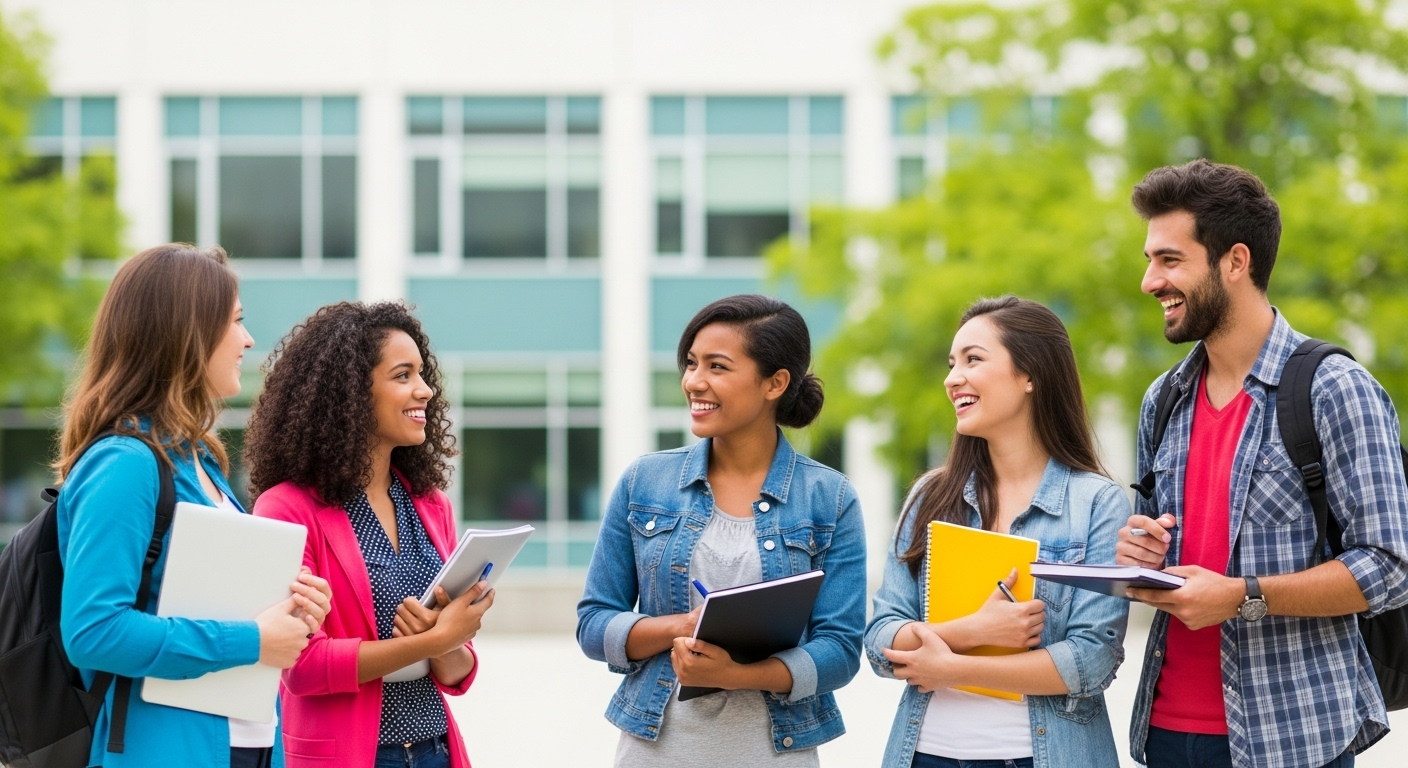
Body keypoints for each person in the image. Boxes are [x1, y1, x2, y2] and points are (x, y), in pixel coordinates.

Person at [1117, 159, 1408, 768]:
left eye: (1170, 260)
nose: (1149, 281)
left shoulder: (1335, 390)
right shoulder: (1162, 400)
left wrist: (1244, 595)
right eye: (1150, 260)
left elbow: (1389, 567)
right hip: (1166, 734)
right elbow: (1161, 561)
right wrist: (1141, 557)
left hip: (1294, 737)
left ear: (1235, 261)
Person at [55, 243, 332, 768]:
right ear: (187, 333)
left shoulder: (199, 460)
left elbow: (205, 603)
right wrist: (252, 640)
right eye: (237, 322)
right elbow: (93, 631)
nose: (248, 340)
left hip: (247, 744)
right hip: (164, 749)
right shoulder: (125, 463)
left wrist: (294, 602)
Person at [577, 294, 867, 766]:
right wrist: (682, 626)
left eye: (717, 366)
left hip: (777, 752)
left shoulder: (829, 498)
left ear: (775, 383)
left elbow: (840, 650)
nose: (694, 381)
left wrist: (740, 674)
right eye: (691, 363)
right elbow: (594, 624)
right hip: (655, 751)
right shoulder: (643, 482)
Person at [865, 296, 1130, 768]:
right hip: (926, 754)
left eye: (973, 359)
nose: (952, 378)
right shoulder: (931, 496)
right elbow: (882, 640)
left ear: (1030, 376)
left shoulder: (1096, 503)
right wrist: (971, 631)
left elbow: (1092, 660)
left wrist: (953, 666)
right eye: (951, 363)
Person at [246, 302, 492, 768]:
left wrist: (451, 640)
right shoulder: (287, 509)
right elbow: (300, 666)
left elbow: (458, 672)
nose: (425, 390)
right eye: (403, 375)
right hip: (349, 755)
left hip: (435, 750)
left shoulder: (431, 504)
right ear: (352, 394)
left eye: (422, 374)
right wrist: (431, 641)